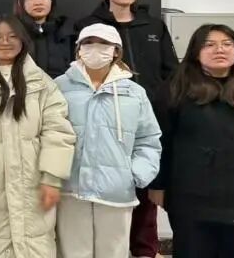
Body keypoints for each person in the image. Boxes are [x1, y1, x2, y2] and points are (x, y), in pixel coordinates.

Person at [0, 15, 76, 258]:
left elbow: (57, 130)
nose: (5, 42)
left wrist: (52, 178)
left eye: (12, 36)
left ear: (23, 40)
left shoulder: (42, 83)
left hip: (33, 188)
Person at [75, 0, 178, 258]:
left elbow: (171, 69)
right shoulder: (89, 26)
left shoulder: (153, 26)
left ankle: (145, 249)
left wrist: (161, 99)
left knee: (144, 182)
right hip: (103, 113)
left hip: (146, 112)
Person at [55, 23, 162, 258]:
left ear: (116, 51)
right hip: (70, 189)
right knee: (72, 253)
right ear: (78, 49)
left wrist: (135, 174)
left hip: (116, 192)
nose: (95, 48)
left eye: (104, 44)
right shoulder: (59, 87)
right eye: (88, 43)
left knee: (113, 253)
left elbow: (148, 139)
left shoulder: (134, 92)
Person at [148, 24, 234, 257]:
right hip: (190, 193)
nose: (219, 50)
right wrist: (157, 184)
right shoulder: (175, 87)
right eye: (209, 44)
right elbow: (159, 140)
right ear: (195, 51)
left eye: (227, 44)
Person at [13, 0, 75, 78]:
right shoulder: (13, 30)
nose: (38, 2)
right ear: (20, 3)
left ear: (51, 1)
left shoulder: (64, 30)